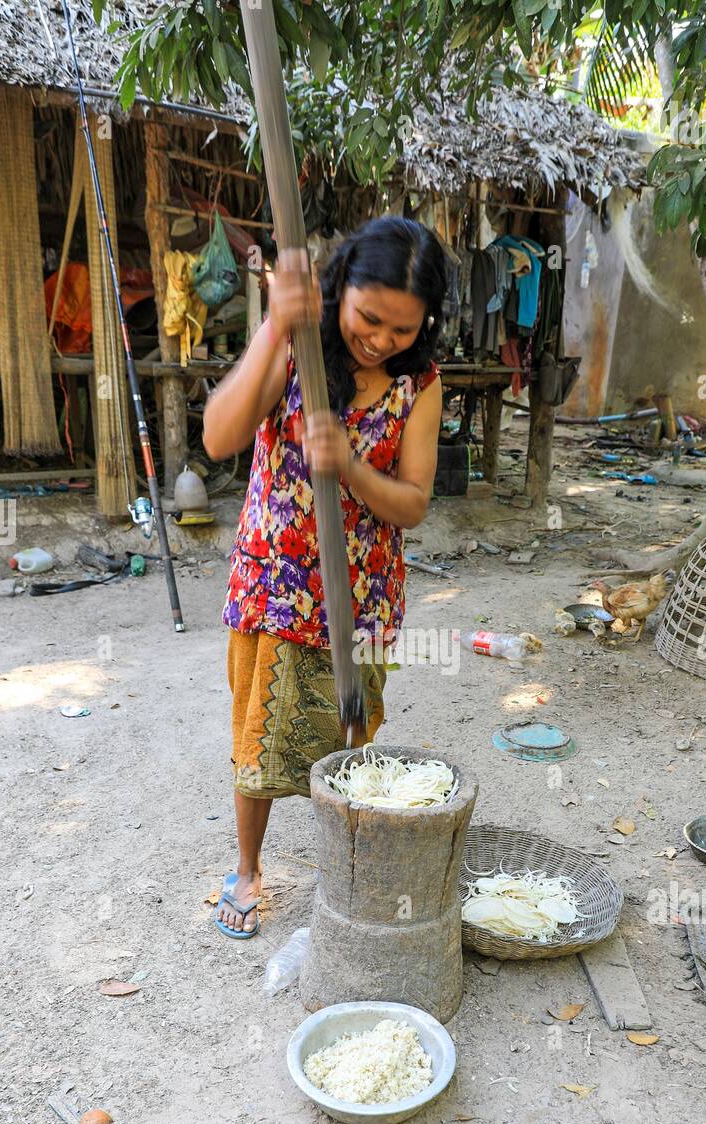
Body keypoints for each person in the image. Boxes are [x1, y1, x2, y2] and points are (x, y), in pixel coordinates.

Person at [203, 216, 446, 938]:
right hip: (276, 587)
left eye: (402, 329)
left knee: (346, 737)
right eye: (369, 318)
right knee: (261, 739)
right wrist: (273, 329)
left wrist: (350, 466)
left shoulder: (420, 383)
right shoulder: (299, 349)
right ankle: (247, 869)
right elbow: (219, 436)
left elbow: (412, 504)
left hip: (363, 598)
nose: (380, 339)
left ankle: (343, 865)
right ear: (341, 289)